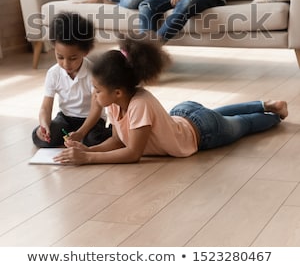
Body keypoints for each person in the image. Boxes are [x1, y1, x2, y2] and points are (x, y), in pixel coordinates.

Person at [54, 35, 287, 165]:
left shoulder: (139, 105)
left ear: (117, 91)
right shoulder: (115, 105)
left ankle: (274, 114)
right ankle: (266, 104)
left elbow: (133, 153)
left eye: (96, 90)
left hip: (203, 133)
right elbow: (117, 141)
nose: (93, 95)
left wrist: (89, 158)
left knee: (241, 125)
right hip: (184, 115)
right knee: (220, 114)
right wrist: (88, 149)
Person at [32, 12, 112, 148]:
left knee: (92, 140)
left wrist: (81, 133)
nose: (66, 64)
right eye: (60, 57)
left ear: (85, 52)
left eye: (73, 58)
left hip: (92, 119)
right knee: (39, 137)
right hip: (66, 118)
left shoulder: (94, 73)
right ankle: (72, 135)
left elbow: (96, 109)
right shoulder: (53, 73)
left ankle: (112, 130)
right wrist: (44, 125)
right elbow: (46, 107)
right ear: (54, 49)